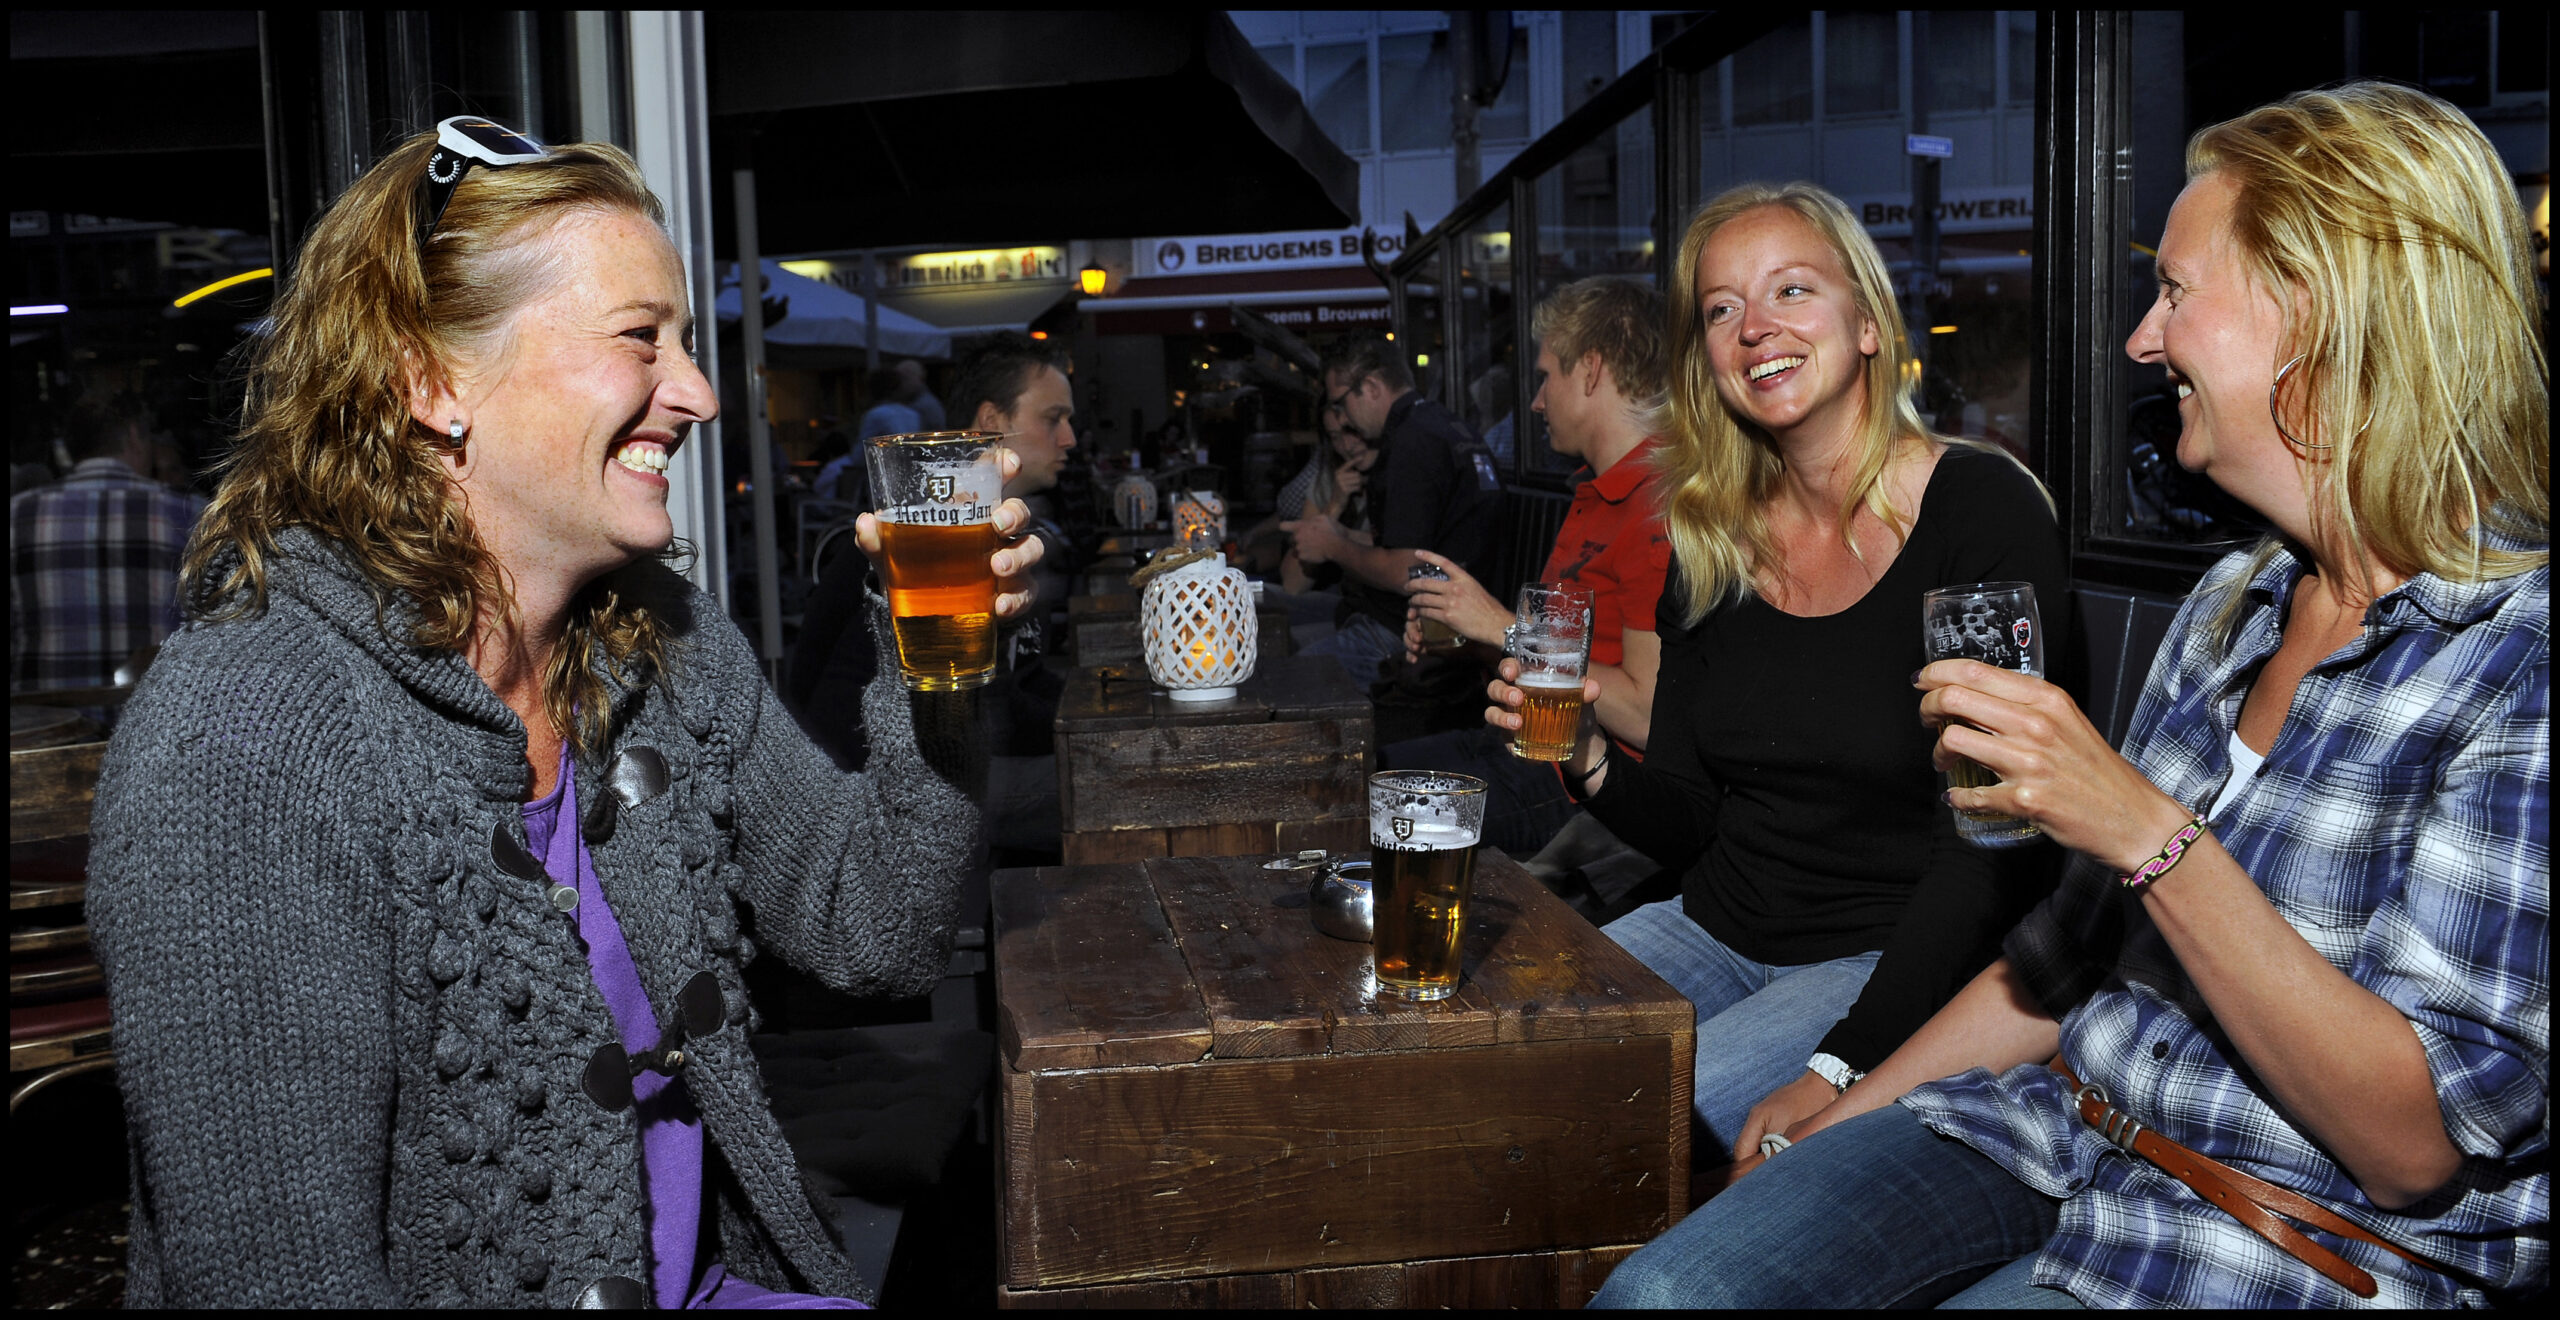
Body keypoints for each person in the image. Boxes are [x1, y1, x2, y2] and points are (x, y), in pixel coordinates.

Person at [1594, 84, 2548, 1310]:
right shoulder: (2233, 604)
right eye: (1720, 310)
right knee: (1665, 1291)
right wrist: (1846, 1102)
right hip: (2054, 1127)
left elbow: (2410, 1147)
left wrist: (2143, 829)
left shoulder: (2517, 654)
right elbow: (2060, 961)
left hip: (2278, 1229)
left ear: (2320, 308)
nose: (2143, 341)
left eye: (2175, 292)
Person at [84, 119, 1042, 1308]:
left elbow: (879, 929)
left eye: (685, 343)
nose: (696, 393)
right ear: (431, 381)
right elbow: (276, 1284)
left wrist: (939, 667)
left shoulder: (663, 641)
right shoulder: (242, 740)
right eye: (642, 338)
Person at [1483, 182, 2068, 1172]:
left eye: (1791, 289)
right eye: (1722, 308)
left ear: (1869, 324)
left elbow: (1992, 851)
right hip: (1709, 924)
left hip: (1883, 955)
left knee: (1606, 1140)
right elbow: (1692, 820)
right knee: (1481, 1077)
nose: (1755, 327)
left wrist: (1846, 1063)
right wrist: (1587, 759)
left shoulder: (1980, 511)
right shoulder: (1708, 537)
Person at [1391, 276, 1673, 857]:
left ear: (1590, 370)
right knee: (1356, 776)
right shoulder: (1599, 491)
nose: (1537, 401)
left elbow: (1650, 716)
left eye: (1546, 377)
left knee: (1374, 813)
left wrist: (1501, 625)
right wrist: (1464, 636)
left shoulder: (1656, 507)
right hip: (1521, 747)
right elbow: (1554, 663)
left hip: (1580, 788)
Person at [792, 332, 1073, 856]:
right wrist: (1084, 725)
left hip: (956, 753)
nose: (1070, 438)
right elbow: (831, 705)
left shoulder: (998, 537)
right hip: (866, 786)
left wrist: (1090, 703)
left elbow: (1022, 681)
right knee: (1092, 784)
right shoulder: (912, 544)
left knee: (1100, 768)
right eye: (1053, 418)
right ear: (992, 421)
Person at [1285, 336, 1502, 687]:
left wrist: (1334, 547)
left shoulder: (1411, 441)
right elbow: (1424, 543)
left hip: (1412, 635)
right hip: (1417, 621)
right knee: (1278, 620)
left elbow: (1407, 570)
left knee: (1285, 679)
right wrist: (1341, 534)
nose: (1344, 419)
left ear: (1371, 387)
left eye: (1341, 403)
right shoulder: (1438, 425)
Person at [9, 390, 206, 694]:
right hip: (158, 713)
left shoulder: (17, 516)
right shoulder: (188, 512)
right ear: (134, 436)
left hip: (49, 716)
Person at [896, 357, 945, 431]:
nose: (901, 384)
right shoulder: (906, 401)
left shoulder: (926, 405)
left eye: (905, 378)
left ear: (919, 377)